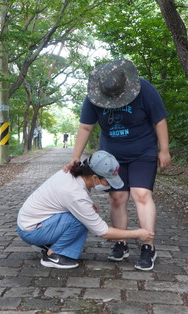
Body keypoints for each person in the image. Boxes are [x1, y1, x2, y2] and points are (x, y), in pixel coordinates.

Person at [64, 59, 171, 271]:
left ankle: (148, 246)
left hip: (143, 152)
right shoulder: (94, 97)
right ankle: (121, 242)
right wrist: (75, 156)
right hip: (112, 155)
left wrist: (164, 149)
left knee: (141, 195)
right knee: (117, 197)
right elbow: (86, 127)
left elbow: (159, 120)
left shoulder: (144, 89)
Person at [17, 150, 154, 269]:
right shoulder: (74, 194)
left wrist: (88, 205)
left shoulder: (73, 173)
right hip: (32, 230)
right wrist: (137, 233)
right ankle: (54, 255)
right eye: (108, 181)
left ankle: (49, 243)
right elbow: (102, 232)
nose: (109, 185)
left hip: (33, 223)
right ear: (94, 177)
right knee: (81, 220)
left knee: (86, 213)